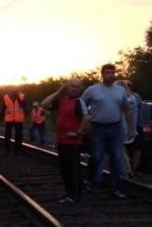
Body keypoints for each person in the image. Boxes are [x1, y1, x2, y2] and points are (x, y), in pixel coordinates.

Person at [81, 64, 136, 199]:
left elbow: (127, 109)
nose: (110, 75)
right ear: (102, 74)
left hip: (116, 127)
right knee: (97, 156)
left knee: (116, 158)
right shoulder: (92, 90)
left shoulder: (120, 91)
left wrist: (131, 128)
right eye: (107, 72)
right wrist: (85, 121)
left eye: (112, 72)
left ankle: (116, 187)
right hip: (98, 127)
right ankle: (90, 179)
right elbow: (81, 104)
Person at [41, 78, 90, 203]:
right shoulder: (62, 101)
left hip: (73, 143)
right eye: (72, 86)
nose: (74, 89)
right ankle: (69, 193)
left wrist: (78, 132)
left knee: (73, 169)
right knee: (65, 169)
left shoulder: (79, 102)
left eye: (77, 87)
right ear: (67, 88)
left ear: (80, 89)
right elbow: (44, 104)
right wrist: (59, 91)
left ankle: (75, 196)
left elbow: (86, 117)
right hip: (62, 140)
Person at [116, 80, 139, 177]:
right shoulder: (133, 98)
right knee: (122, 149)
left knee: (120, 149)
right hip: (129, 126)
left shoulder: (126, 99)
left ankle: (127, 169)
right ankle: (126, 169)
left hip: (122, 125)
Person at [0, 89, 26, 154]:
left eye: (14, 93)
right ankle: (7, 147)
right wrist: (1, 119)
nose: (13, 94)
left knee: (19, 135)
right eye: (12, 93)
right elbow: (3, 108)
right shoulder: (6, 98)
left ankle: (17, 149)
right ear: (9, 93)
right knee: (8, 134)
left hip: (18, 119)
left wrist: (19, 99)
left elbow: (24, 106)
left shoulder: (21, 97)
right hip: (9, 119)